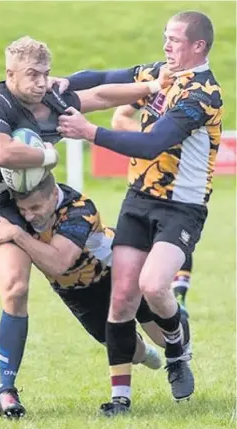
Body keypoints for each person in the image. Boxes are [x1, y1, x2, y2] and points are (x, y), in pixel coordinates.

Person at [0, 35, 172, 418]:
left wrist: (153, 86)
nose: (40, 83)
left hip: (4, 213)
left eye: (45, 74)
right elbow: (1, 152)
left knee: (16, 287)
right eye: (31, 75)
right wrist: (49, 153)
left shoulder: (52, 101)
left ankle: (7, 390)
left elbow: (102, 97)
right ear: (10, 74)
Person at [55, 11, 222, 416]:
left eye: (175, 40)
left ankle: (177, 351)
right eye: (165, 37)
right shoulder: (160, 73)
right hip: (138, 201)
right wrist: (63, 83)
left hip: (181, 207)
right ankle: (120, 400)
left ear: (198, 46)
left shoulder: (203, 94)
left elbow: (152, 145)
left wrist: (89, 132)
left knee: (153, 286)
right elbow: (104, 77)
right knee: (122, 298)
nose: (167, 46)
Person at [0, 173, 171, 371]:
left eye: (36, 207)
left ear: (53, 195)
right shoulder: (18, 208)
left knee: (162, 337)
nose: (30, 216)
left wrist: (17, 233)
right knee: (129, 349)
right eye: (24, 210)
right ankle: (144, 352)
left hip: (117, 272)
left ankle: (181, 356)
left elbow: (58, 263)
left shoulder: (79, 208)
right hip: (78, 293)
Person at [112, 104, 194, 317]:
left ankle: (178, 295)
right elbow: (119, 118)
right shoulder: (151, 84)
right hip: (144, 188)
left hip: (182, 190)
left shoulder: (196, 94)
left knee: (174, 243)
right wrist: (153, 138)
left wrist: (157, 139)